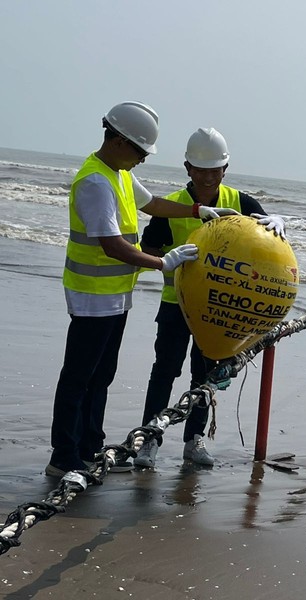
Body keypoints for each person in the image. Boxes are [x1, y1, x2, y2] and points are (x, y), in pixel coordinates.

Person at [46, 102, 227, 478]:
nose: (143, 159)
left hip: (114, 296)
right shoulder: (96, 181)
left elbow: (154, 205)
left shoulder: (120, 174)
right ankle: (63, 456)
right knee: (79, 376)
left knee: (101, 375)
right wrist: (163, 262)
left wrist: (197, 212)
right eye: (140, 151)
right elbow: (112, 244)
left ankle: (89, 448)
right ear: (117, 140)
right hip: (92, 297)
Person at [134, 127, 286, 469]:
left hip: (220, 310)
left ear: (224, 170)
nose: (206, 177)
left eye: (213, 170)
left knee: (203, 377)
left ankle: (194, 440)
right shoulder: (170, 205)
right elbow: (150, 248)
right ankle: (149, 440)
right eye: (199, 170)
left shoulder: (240, 203)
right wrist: (168, 265)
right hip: (177, 305)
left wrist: (279, 220)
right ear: (187, 168)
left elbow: (268, 242)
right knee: (165, 371)